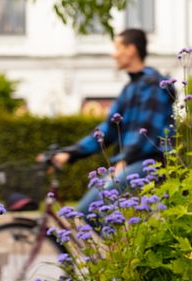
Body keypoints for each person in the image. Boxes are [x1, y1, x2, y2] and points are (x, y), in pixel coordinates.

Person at [46, 28, 175, 220]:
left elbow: (147, 132)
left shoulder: (154, 85)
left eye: (117, 48)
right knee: (97, 213)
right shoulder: (130, 89)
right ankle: (119, 246)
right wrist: (70, 153)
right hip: (132, 161)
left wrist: (125, 160)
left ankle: (123, 248)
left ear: (130, 50)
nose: (113, 54)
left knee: (88, 210)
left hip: (151, 163)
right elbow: (106, 131)